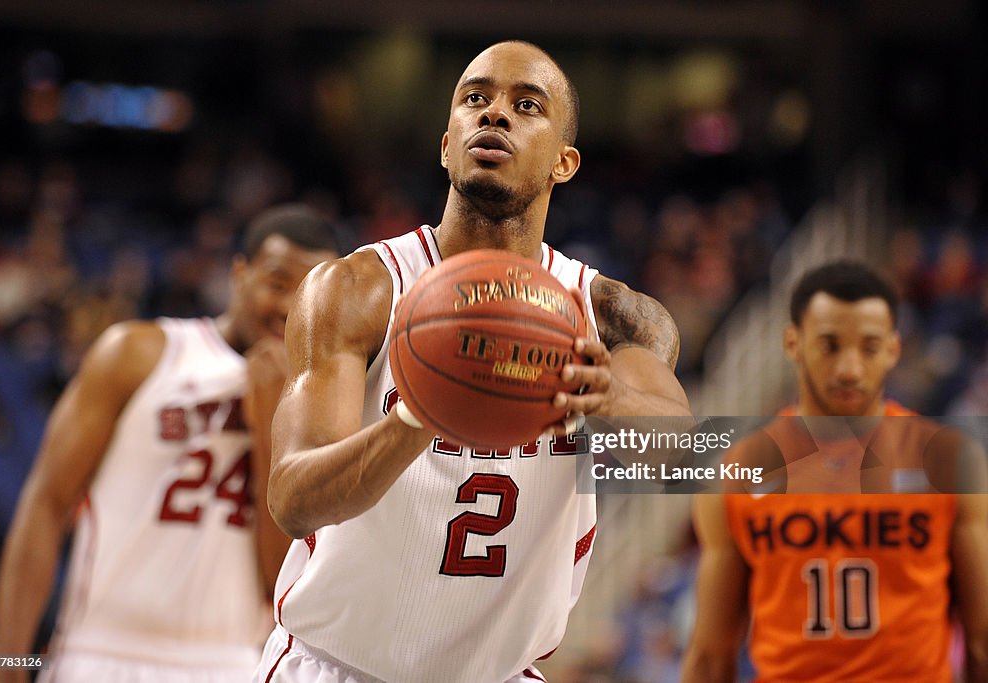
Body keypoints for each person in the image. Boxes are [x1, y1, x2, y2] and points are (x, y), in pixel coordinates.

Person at [257, 40, 692, 683]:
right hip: (338, 666)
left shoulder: (617, 320)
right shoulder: (358, 291)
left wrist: (608, 401)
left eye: (526, 105)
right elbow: (294, 499)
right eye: (475, 99)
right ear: (446, 143)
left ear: (564, 164)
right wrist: (419, 416)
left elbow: (687, 454)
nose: (494, 116)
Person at [0, 204, 342, 683]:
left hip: (231, 661)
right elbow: (45, 506)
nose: (286, 306)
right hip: (100, 650)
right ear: (239, 272)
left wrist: (268, 430)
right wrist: (9, 666)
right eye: (277, 283)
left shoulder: (319, 407)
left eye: (305, 293)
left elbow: (279, 581)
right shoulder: (139, 353)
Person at [681, 260, 988, 682]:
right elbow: (711, 654)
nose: (849, 368)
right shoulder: (739, 470)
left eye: (869, 346)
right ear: (793, 342)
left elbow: (981, 640)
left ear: (894, 349)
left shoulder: (948, 458)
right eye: (829, 344)